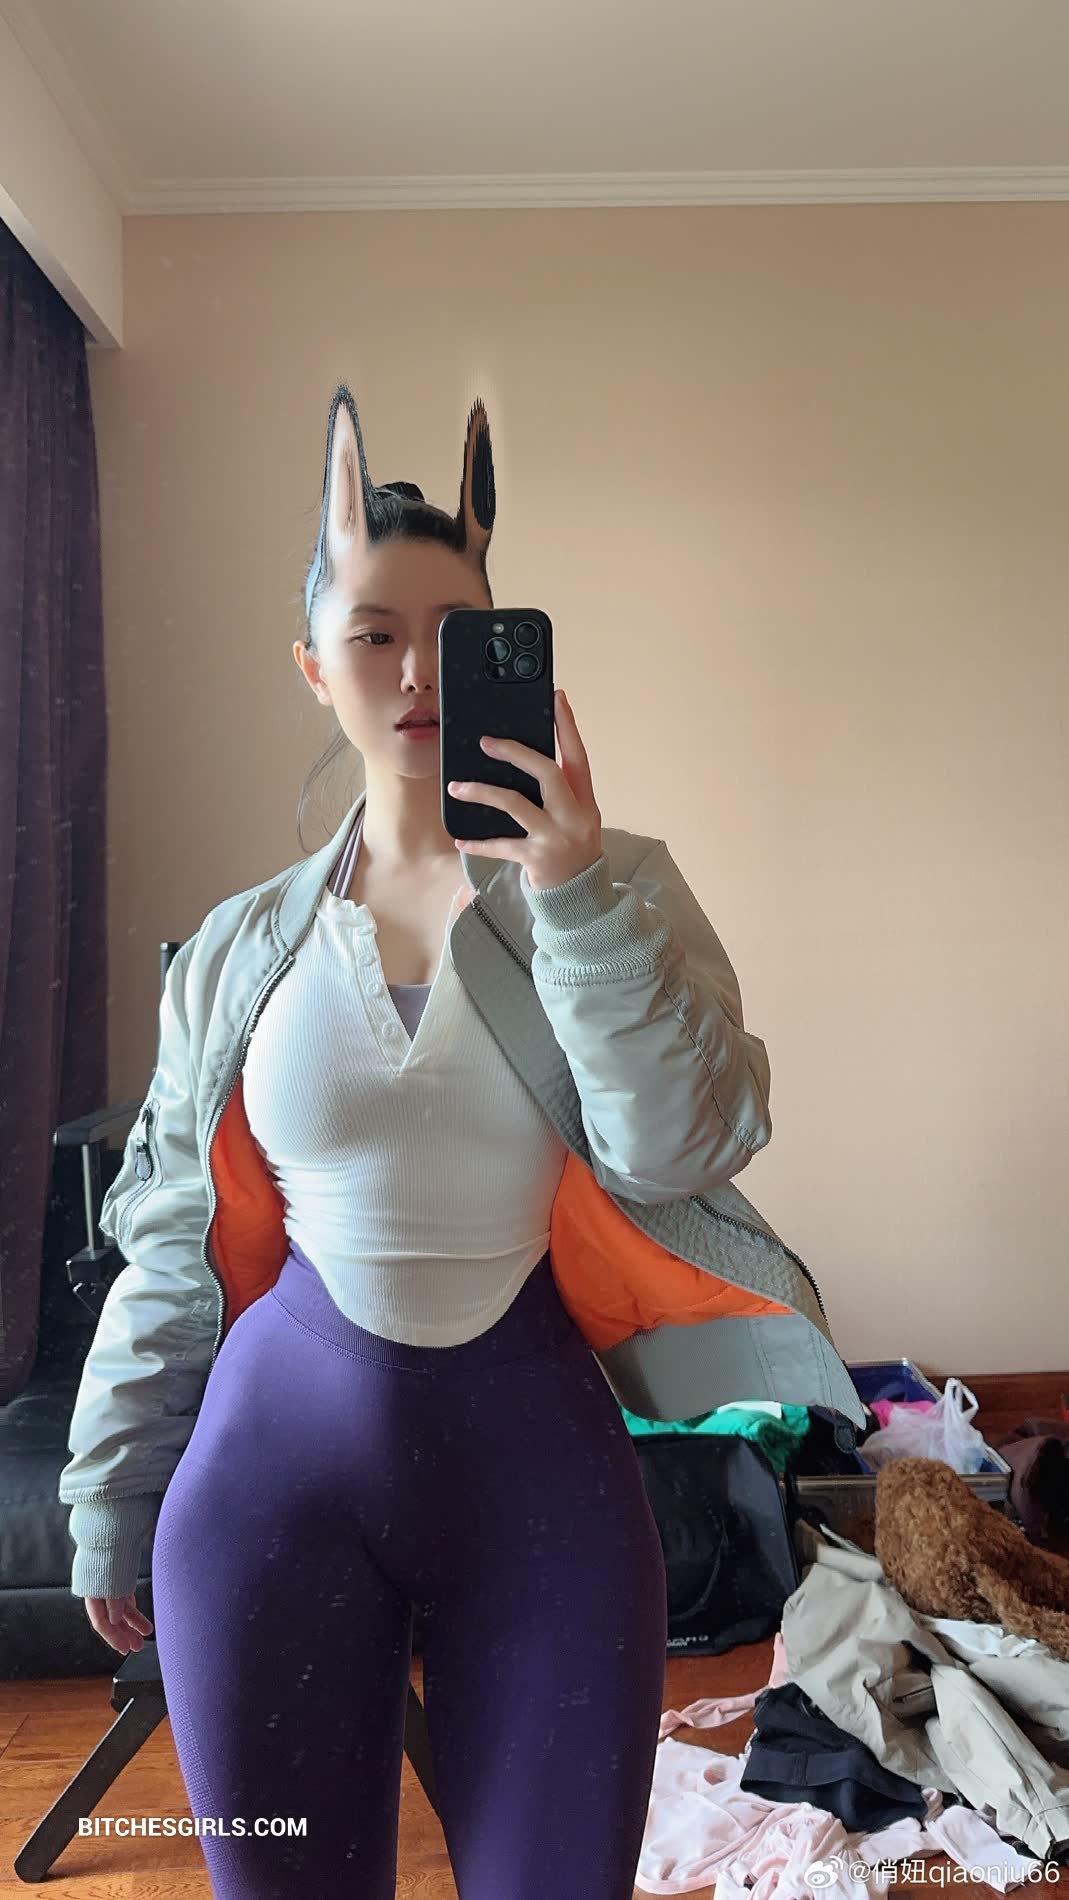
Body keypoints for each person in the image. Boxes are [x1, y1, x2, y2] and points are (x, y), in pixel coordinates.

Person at [59, 384, 862, 1898]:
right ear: (314, 667)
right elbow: (169, 1232)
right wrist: (113, 1485)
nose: (420, 669)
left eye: (458, 632)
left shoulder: (617, 886)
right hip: (266, 1493)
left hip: (540, 1484)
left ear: (514, 652)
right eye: (375, 633)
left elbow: (680, 1149)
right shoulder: (235, 953)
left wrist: (572, 894)